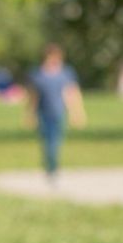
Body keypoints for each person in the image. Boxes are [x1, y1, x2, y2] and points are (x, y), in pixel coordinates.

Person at [26, 45, 86, 185]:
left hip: (59, 112)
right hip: (43, 113)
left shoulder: (65, 73)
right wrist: (30, 114)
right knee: (46, 142)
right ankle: (50, 167)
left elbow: (71, 93)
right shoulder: (38, 74)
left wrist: (77, 112)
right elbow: (34, 96)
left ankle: (53, 169)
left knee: (55, 142)